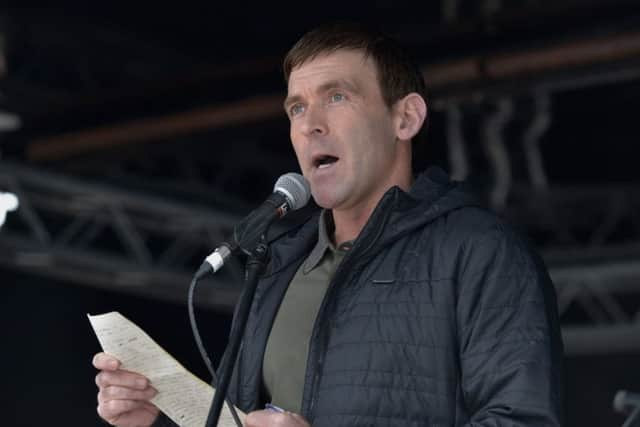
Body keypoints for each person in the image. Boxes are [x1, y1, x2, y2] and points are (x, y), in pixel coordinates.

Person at [93, 22, 564, 427]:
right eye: (296, 107)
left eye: (336, 96)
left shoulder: (479, 252)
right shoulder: (275, 268)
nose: (309, 124)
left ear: (406, 117)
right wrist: (153, 417)